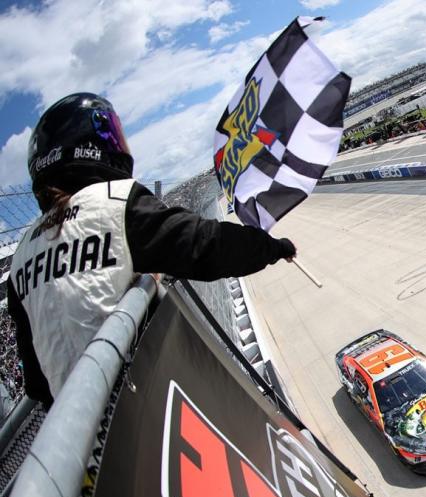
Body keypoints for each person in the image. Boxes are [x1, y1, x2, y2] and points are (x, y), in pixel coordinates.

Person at [8, 93, 297, 406]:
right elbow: (206, 245)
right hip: (148, 405)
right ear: (88, 146)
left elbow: (36, 382)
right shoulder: (114, 202)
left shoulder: (21, 255)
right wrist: (273, 247)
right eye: (107, 133)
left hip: (74, 440)